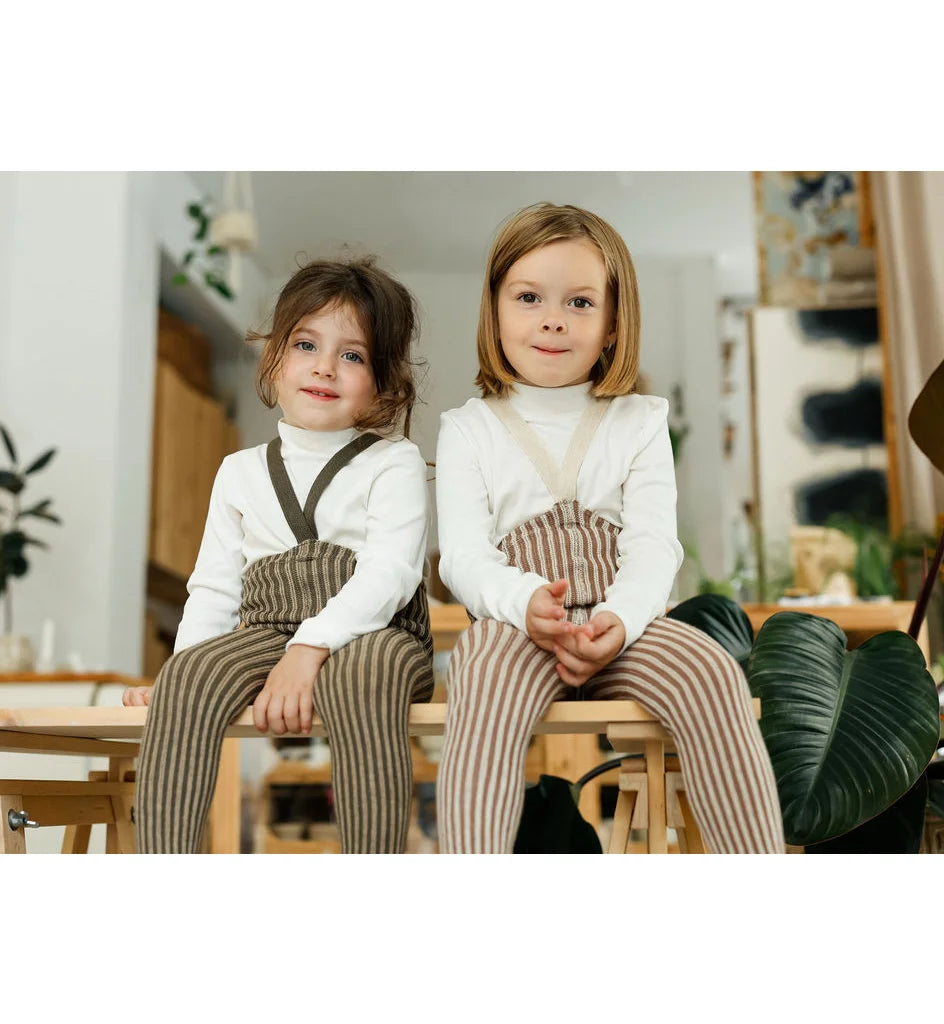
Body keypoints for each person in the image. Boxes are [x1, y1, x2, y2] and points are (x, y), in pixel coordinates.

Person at [434, 202, 783, 853]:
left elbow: (653, 544)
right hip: (517, 628)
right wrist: (525, 603)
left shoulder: (640, 421)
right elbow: (462, 554)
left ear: (614, 322)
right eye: (529, 297)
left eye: (580, 302)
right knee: (478, 673)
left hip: (623, 628)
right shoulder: (467, 429)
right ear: (495, 310)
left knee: (711, 670)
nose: (553, 319)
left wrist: (618, 621)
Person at [124, 257, 434, 854]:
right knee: (187, 676)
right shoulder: (238, 472)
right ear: (274, 359)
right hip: (267, 633)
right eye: (306, 344)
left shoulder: (392, 461)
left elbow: (390, 573)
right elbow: (215, 589)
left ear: (383, 381)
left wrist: (309, 649)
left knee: (362, 677)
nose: (324, 366)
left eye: (352, 355)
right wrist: (180, 673)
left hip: (380, 634)